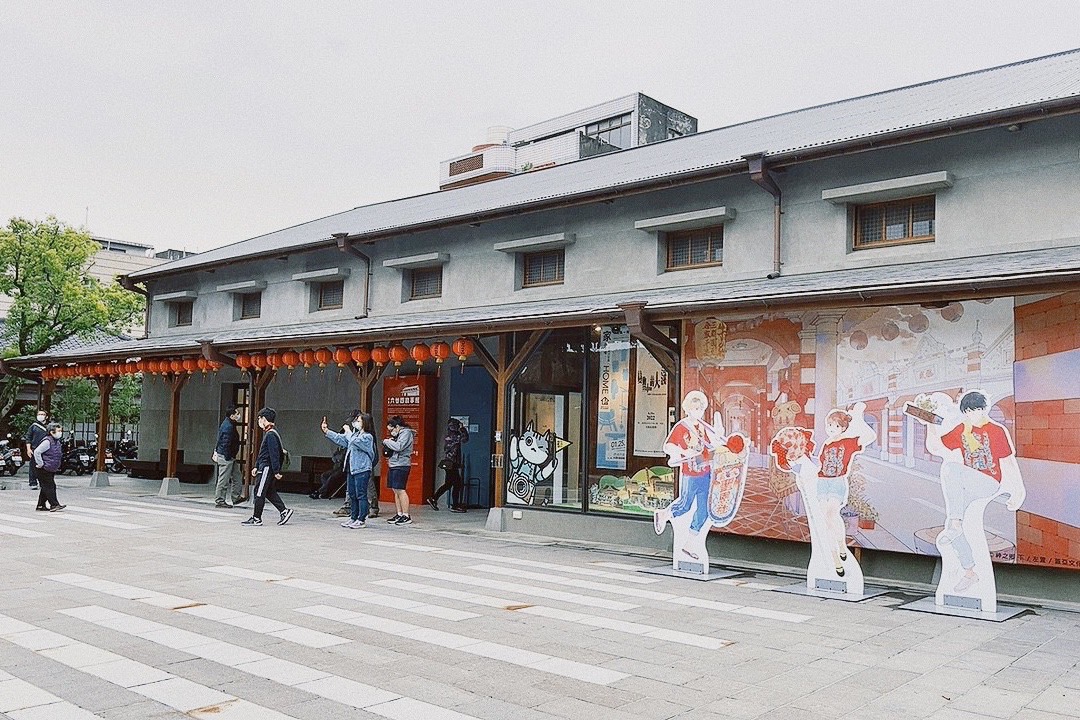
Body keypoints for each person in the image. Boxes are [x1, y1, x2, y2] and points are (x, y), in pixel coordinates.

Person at [322, 412, 377, 528]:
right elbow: (340, 439)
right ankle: (353, 517)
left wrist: (348, 431)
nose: (356, 423)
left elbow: (353, 441)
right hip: (352, 469)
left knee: (361, 494)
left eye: (358, 421)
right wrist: (327, 431)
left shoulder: (367, 437)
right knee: (352, 494)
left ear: (365, 423)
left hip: (362, 469)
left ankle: (361, 519)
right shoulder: (355, 435)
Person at [241, 407, 293, 527]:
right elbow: (264, 453)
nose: (259, 421)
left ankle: (257, 518)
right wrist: (256, 466)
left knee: (259, 492)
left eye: (259, 418)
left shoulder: (270, 435)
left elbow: (273, 454)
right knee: (269, 492)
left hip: (266, 468)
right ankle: (284, 511)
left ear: (264, 419)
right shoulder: (271, 433)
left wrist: (276, 471)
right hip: (264, 467)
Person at [427, 418, 470, 512]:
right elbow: (465, 439)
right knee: (457, 483)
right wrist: (463, 429)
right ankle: (454, 505)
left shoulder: (448, 435)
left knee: (449, 484)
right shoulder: (455, 435)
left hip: (449, 462)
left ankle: (434, 498)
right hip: (452, 463)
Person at [382, 415, 415, 525]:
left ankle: (406, 515)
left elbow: (399, 446)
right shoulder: (398, 434)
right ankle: (399, 513)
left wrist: (387, 441)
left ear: (397, 426)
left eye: (391, 429)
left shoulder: (406, 433)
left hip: (402, 464)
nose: (391, 432)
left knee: (400, 489)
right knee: (395, 489)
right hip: (393, 464)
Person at [212, 405, 243, 508]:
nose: (238, 415)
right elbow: (225, 443)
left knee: (237, 476)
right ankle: (220, 500)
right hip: (227, 457)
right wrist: (228, 456)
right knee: (224, 479)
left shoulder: (228, 423)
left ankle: (236, 497)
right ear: (232, 415)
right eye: (237, 413)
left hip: (229, 456)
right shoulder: (228, 426)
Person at [32, 422, 66, 512]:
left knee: (45, 487)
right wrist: (40, 464)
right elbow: (37, 452)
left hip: (51, 468)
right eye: (58, 431)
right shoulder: (47, 441)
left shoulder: (56, 441)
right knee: (50, 486)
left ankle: (40, 505)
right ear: (51, 432)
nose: (60, 433)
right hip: (44, 468)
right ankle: (54, 504)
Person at [24, 408, 48, 491]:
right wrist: (28, 449)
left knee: (44, 467)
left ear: (46, 417)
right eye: (39, 414)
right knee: (33, 466)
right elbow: (28, 438)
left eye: (43, 414)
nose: (41, 416)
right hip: (34, 449)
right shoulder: (33, 426)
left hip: (46, 450)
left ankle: (44, 483)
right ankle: (33, 482)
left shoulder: (49, 427)